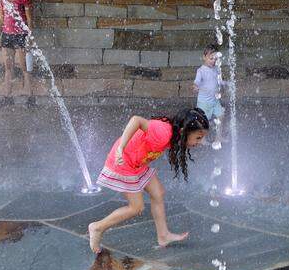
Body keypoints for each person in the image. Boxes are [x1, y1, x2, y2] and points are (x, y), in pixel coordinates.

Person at [87, 108, 210, 254]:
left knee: (158, 192)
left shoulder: (175, 135)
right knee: (136, 208)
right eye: (198, 138)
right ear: (184, 131)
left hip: (137, 163)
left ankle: (163, 235)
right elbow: (136, 120)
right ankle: (98, 227)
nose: (200, 142)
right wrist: (121, 147)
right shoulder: (163, 132)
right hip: (123, 162)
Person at [0, 0, 35, 107]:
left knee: (24, 67)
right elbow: (1, 18)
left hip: (21, 35)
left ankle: (30, 97)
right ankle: (8, 96)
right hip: (7, 35)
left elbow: (30, 19)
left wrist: (29, 37)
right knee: (8, 67)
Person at [193, 45, 225, 138]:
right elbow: (197, 81)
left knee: (221, 116)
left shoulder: (216, 69)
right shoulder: (201, 71)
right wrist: (195, 86)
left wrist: (225, 84)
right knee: (202, 122)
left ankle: (219, 137)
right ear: (204, 57)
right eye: (211, 58)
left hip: (214, 101)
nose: (214, 61)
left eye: (215, 59)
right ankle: (201, 138)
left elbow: (218, 81)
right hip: (204, 102)